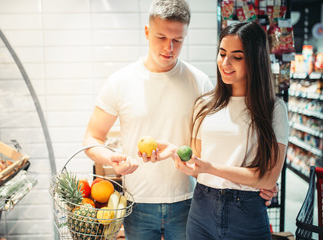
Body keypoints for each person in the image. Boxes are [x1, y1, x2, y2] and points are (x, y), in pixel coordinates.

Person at [83, 1, 278, 239]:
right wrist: (111, 158)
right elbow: (92, 138)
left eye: (178, 40)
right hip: (138, 203)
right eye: (161, 37)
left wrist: (258, 183)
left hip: (189, 203)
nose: (169, 48)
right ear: (147, 32)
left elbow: (218, 149)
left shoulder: (201, 83)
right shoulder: (120, 82)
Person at [156, 21, 289, 239]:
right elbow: (196, 164)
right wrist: (173, 151)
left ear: (255, 61)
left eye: (237, 57)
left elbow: (266, 179)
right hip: (201, 209)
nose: (225, 63)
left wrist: (210, 167)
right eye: (222, 53)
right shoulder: (204, 105)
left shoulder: (273, 109)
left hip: (246, 214)